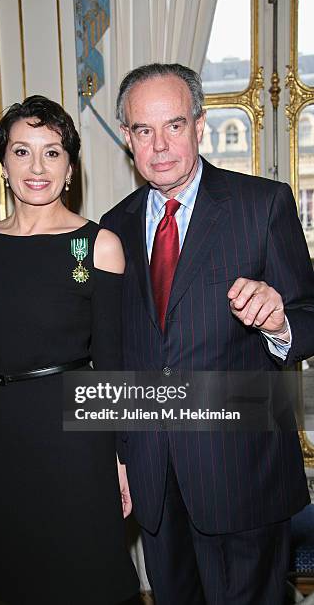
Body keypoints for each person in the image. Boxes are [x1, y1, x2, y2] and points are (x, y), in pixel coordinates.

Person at [100, 63, 314, 605]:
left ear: (200, 124)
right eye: (143, 130)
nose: (160, 144)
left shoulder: (262, 205)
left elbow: (310, 316)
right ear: (127, 138)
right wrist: (121, 453)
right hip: (155, 481)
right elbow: (117, 354)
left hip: (242, 475)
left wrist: (280, 320)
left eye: (173, 125)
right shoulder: (113, 228)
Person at [0, 95, 139, 605]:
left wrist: (123, 459)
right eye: (22, 151)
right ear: (3, 163)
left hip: (77, 448)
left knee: (88, 583)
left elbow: (112, 363)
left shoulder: (95, 246)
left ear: (70, 168)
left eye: (52, 152)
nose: (37, 167)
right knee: (10, 586)